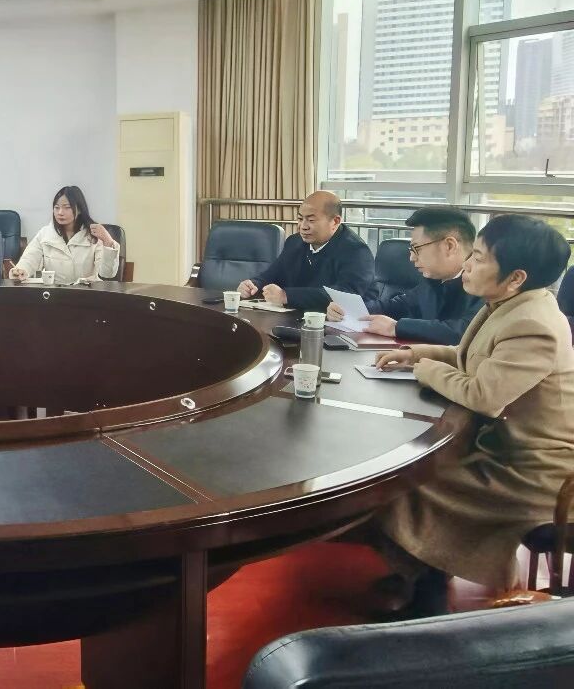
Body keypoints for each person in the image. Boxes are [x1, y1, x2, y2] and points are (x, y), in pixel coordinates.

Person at [368, 215, 573, 616]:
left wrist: (425, 369)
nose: (467, 265)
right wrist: (417, 354)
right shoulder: (512, 305)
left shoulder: (534, 325)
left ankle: (427, 595)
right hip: (506, 449)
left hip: (534, 469)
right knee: (408, 476)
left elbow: (483, 395)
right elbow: (471, 357)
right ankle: (420, 572)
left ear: (515, 278)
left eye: (478, 258)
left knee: (408, 485)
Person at [326, 207, 482, 344]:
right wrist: (349, 310)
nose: (412, 258)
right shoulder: (433, 279)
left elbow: (466, 331)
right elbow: (399, 306)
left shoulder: (484, 282)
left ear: (449, 246)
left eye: (417, 249)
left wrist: (396, 327)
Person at [237, 191, 376, 310]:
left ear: (335, 221)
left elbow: (346, 295)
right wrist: (254, 284)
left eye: (311, 220)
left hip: (340, 324)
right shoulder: (294, 242)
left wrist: (286, 296)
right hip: (297, 316)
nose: (303, 226)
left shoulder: (356, 251)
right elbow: (273, 273)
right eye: (300, 219)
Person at [9, 185, 120, 283]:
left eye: (67, 207)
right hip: (56, 292)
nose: (60, 212)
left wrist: (108, 242)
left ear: (79, 209)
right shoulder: (45, 233)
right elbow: (29, 259)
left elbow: (107, 274)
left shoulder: (94, 235)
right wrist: (21, 270)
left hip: (87, 292)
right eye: (56, 207)